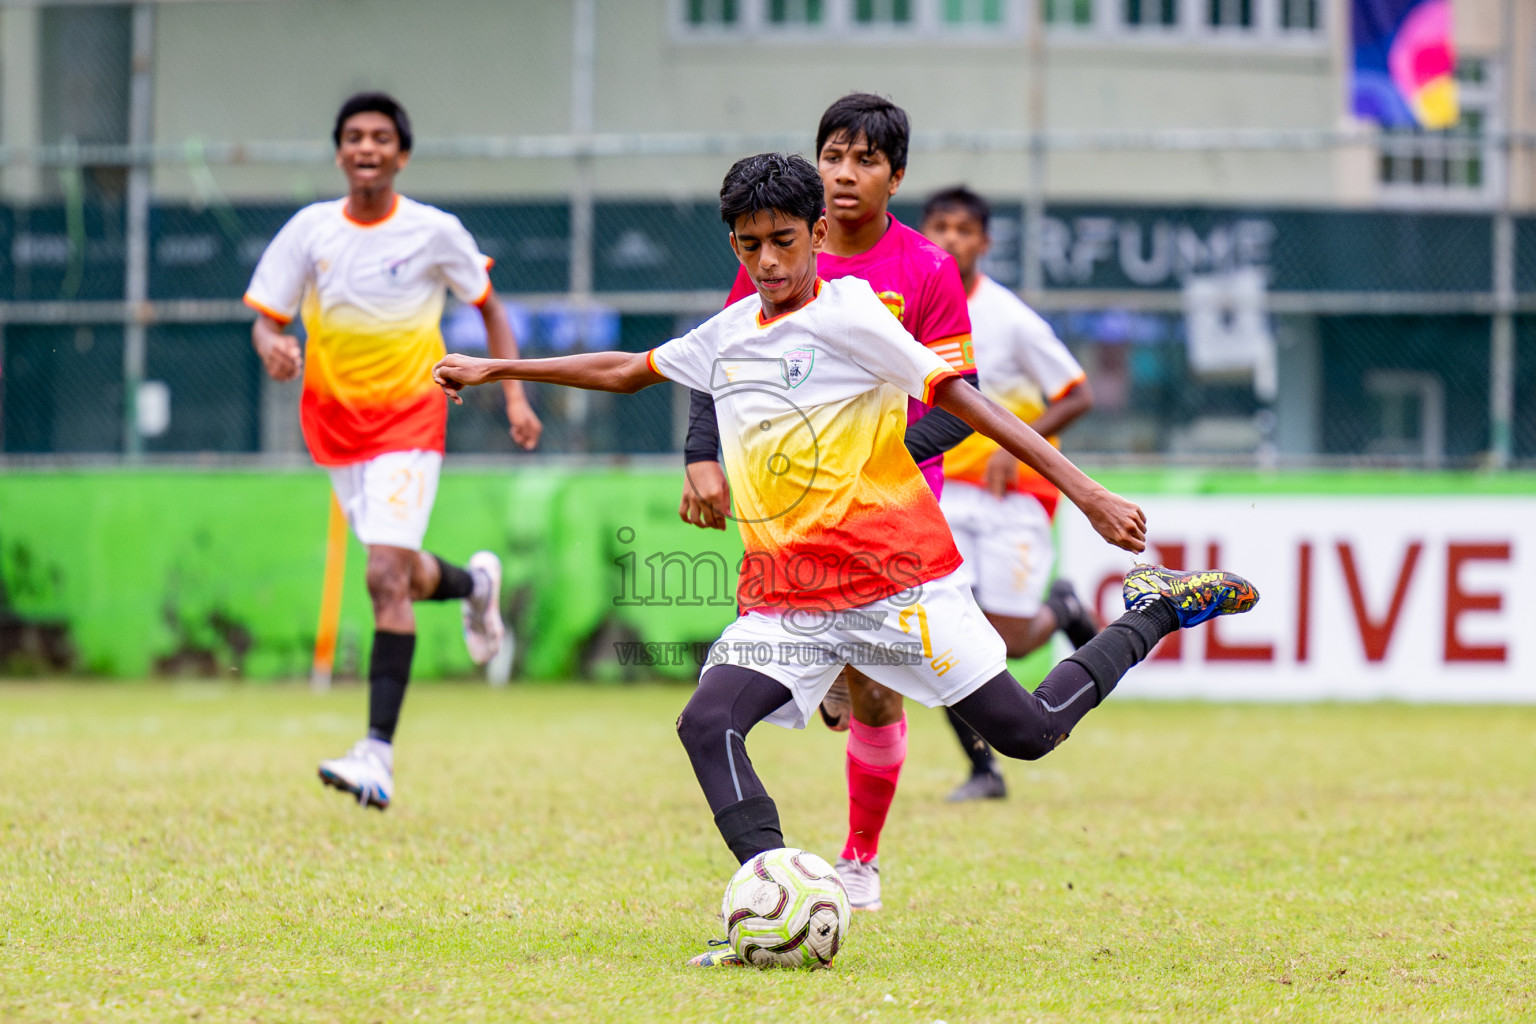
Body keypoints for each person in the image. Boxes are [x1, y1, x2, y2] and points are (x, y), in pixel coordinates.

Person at [429, 153, 1259, 967]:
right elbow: (623, 369)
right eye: (750, 245)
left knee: (1030, 733)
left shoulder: (854, 313)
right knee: (706, 723)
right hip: (788, 602)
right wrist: (497, 365)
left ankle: (1155, 609)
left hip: (902, 587)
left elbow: (969, 401)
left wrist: (1088, 493)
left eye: (784, 240)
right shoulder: (727, 335)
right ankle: (772, 892)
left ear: (819, 232)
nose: (768, 261)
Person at [679, 94, 983, 911]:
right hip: (790, 513)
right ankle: (829, 691)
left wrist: (870, 461)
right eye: (833, 157)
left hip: (891, 520)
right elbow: (722, 358)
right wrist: (699, 456)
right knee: (749, 690)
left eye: (865, 161)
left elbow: (960, 401)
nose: (845, 175)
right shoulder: (775, 244)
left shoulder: (924, 270)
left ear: (896, 176)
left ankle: (858, 858)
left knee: (879, 692)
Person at [243, 92, 542, 811]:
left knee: (382, 573)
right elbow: (265, 320)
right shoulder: (310, 231)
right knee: (400, 574)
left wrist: (513, 395)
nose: (367, 148)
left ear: (401, 154)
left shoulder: (434, 232)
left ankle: (377, 754)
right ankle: (475, 588)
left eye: (380, 137)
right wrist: (274, 347)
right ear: (340, 151)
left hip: (412, 420)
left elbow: (489, 307)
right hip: (335, 429)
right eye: (354, 137)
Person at [919, 187, 1101, 802]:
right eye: (939, 226)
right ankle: (981, 771)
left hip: (1012, 497)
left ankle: (1064, 610)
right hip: (943, 494)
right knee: (946, 632)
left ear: (983, 243)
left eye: (963, 230)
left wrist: (1012, 443)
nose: (950, 239)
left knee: (1010, 642)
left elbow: (1077, 392)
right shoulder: (911, 309)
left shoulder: (1011, 317)